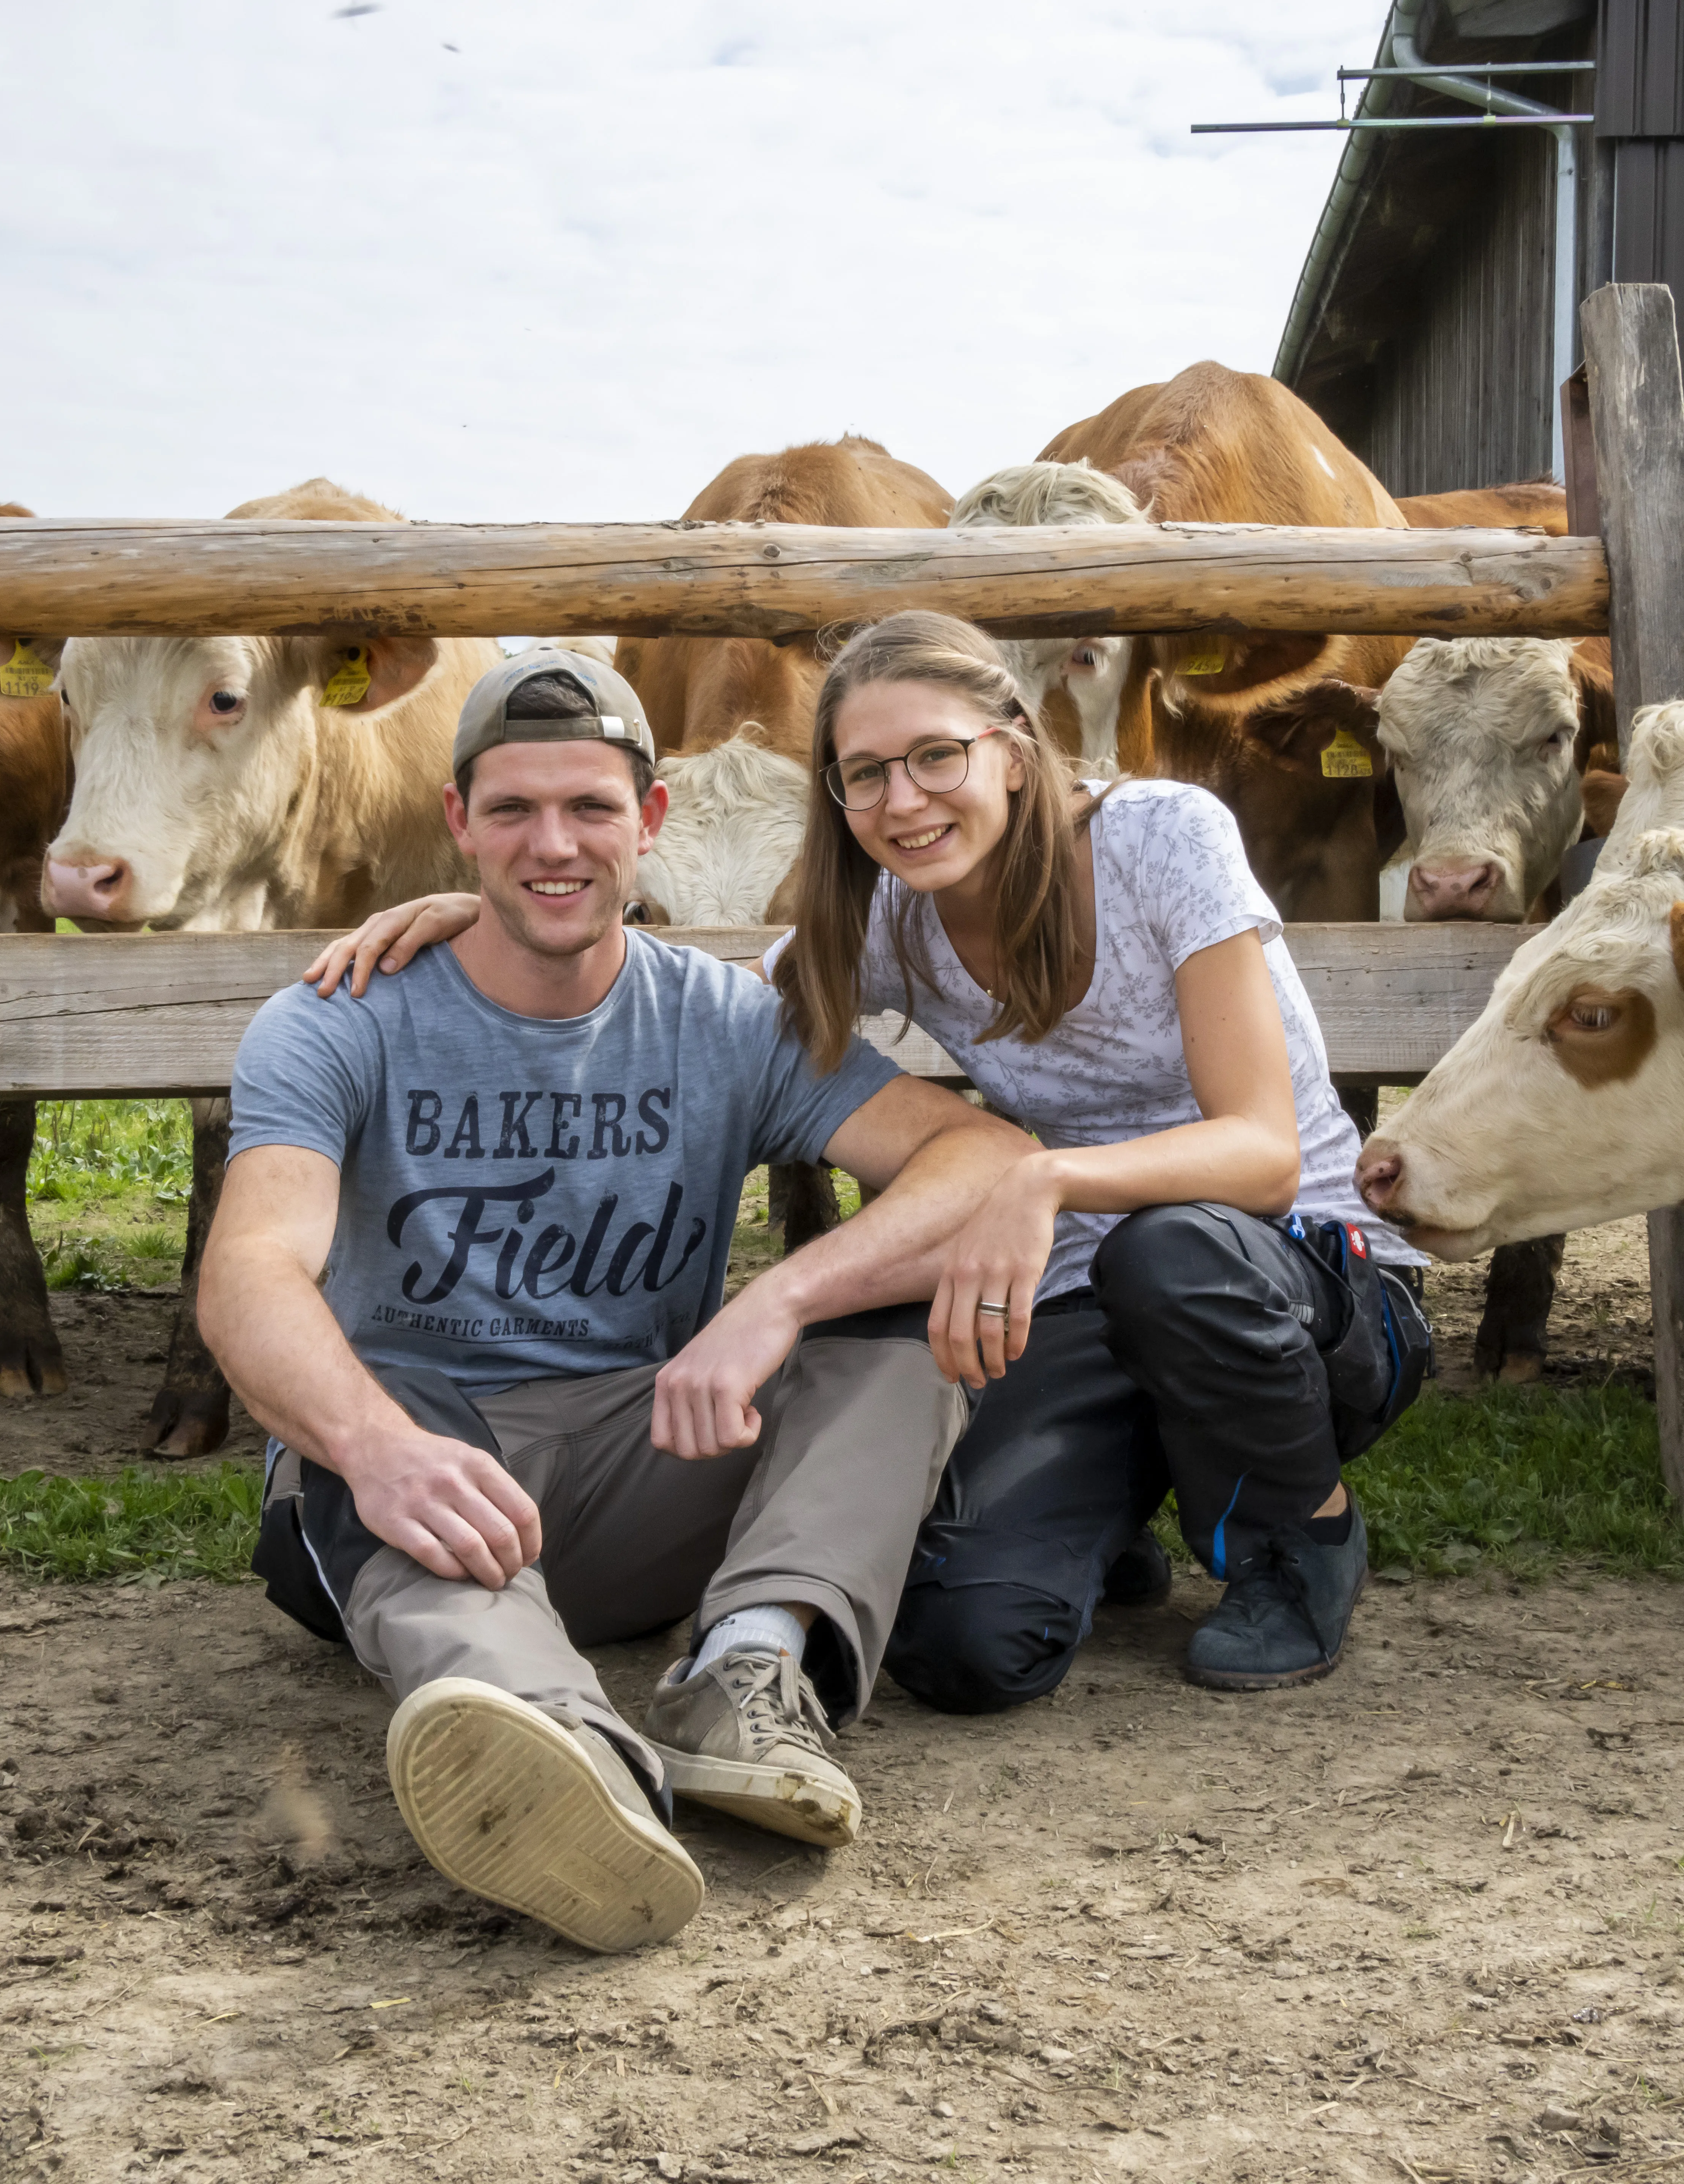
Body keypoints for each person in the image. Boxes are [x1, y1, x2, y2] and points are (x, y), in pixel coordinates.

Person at [309, 612, 1430, 1715]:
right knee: (961, 1643)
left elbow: (1262, 1155)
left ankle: (1303, 1538)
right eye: (865, 775)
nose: (904, 801)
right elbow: (700, 1013)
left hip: (1295, 1276)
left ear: (1015, 748)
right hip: (1088, 1293)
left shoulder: (1162, 837)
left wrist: (1044, 1179)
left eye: (937, 755)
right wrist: (511, 919)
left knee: (1170, 1254)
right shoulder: (897, 917)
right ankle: (1112, 1513)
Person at [202, 646, 1031, 1956]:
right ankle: (559, 1753)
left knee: (898, 1332)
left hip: (643, 1458)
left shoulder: (724, 1023)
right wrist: (373, 1447)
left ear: (649, 821)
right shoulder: (340, 1019)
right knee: (372, 1397)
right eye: (515, 810)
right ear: (458, 821)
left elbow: (981, 1158)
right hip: (408, 1475)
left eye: (591, 807)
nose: (555, 845)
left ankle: (745, 1671)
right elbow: (251, 1270)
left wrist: (779, 1301)